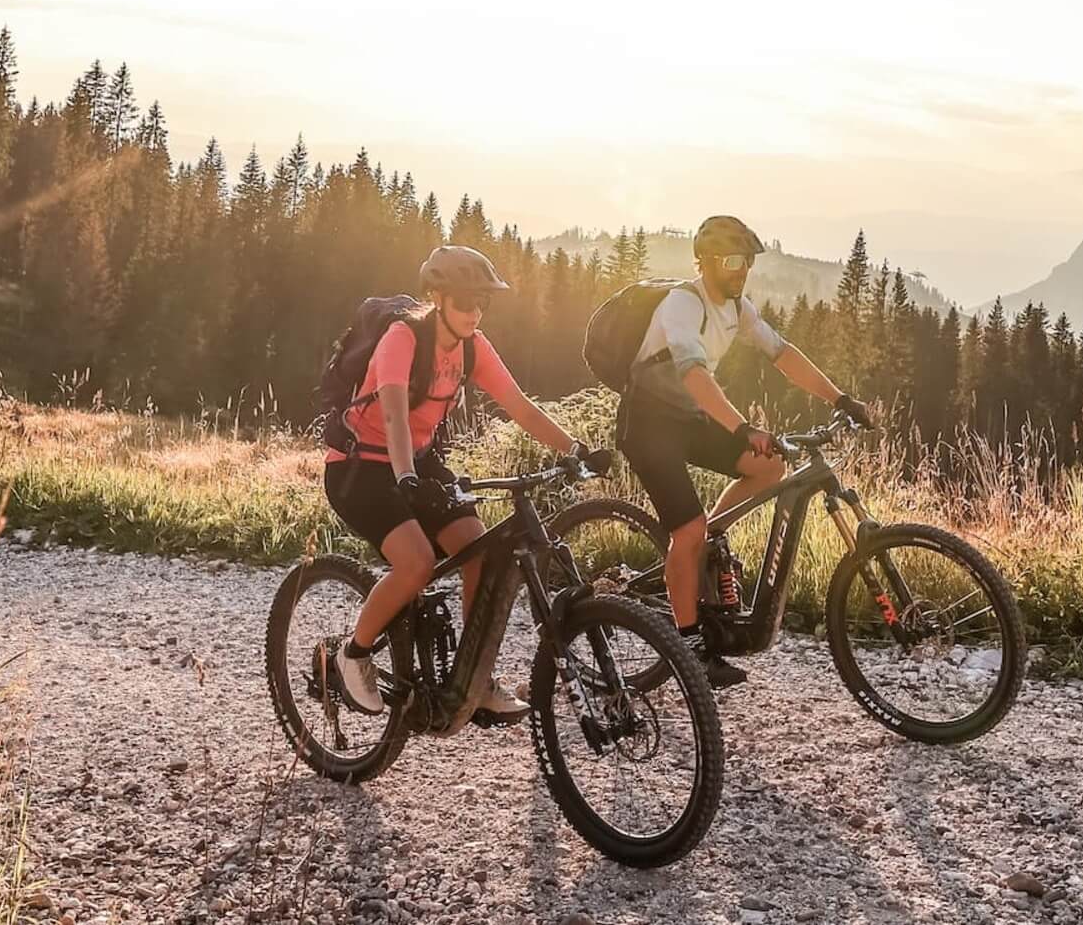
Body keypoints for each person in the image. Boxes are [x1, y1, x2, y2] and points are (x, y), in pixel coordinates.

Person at [330, 245, 604, 719]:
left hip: (414, 462)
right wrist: (406, 478)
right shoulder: (403, 338)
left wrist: (575, 450)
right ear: (437, 297)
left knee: (480, 550)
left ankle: (471, 679)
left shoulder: (473, 345)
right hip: (361, 466)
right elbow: (394, 414)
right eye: (464, 302)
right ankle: (352, 655)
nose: (474, 312)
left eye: (482, 303)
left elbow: (518, 406)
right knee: (415, 564)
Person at [618, 215, 873, 687]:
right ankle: (689, 646)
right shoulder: (681, 304)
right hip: (650, 424)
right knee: (686, 528)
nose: (742, 270)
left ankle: (706, 543)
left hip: (690, 420)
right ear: (707, 262)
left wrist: (840, 398)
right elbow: (694, 374)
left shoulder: (737, 308)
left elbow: (784, 354)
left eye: (748, 262)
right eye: (734, 261)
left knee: (769, 466)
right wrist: (741, 427)